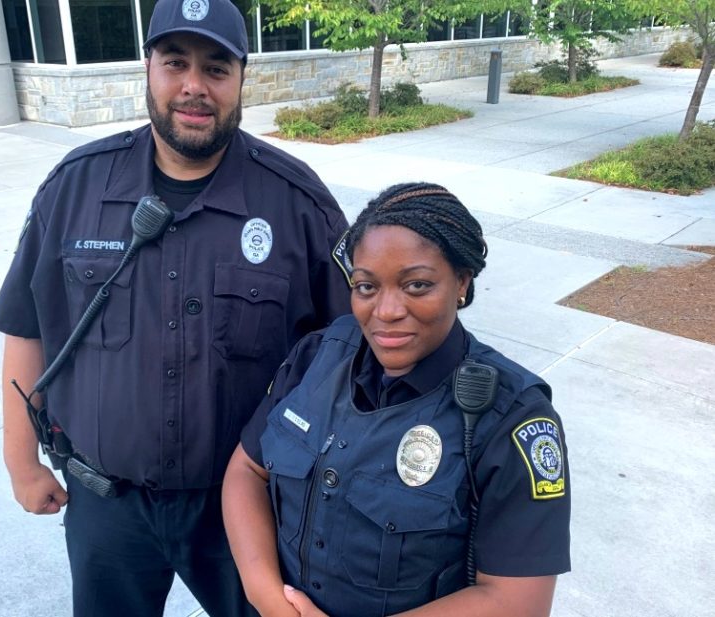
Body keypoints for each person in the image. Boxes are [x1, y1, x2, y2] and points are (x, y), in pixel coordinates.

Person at [0, 0, 352, 614]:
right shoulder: (75, 187)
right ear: (147, 69)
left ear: (241, 79)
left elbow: (347, 353)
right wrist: (21, 459)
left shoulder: (297, 205)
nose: (193, 86)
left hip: (247, 506)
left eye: (215, 68)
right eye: (175, 62)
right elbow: (28, 327)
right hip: (108, 504)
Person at [223, 182, 571, 617]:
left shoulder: (511, 417)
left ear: (461, 281)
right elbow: (246, 470)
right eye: (366, 287)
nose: (386, 310)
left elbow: (516, 601)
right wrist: (266, 595)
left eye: (417, 285)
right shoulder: (319, 354)